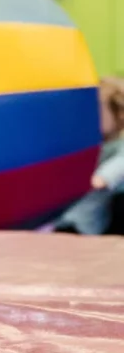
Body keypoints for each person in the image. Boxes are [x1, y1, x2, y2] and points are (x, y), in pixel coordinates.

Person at [52, 77, 124, 235]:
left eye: (96, 110)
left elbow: (102, 179)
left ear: (119, 114)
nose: (88, 116)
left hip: (83, 225)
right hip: (61, 220)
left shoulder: (120, 148)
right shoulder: (84, 145)